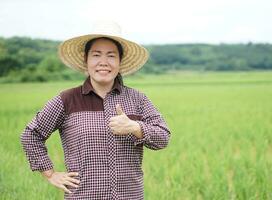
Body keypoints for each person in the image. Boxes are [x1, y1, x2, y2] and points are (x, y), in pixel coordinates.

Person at [20, 21, 171, 200]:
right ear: (86, 60)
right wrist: (50, 174)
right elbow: (31, 134)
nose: (103, 62)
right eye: (96, 55)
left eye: (111, 56)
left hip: (130, 196)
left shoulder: (138, 99)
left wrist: (134, 127)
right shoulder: (67, 99)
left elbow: (163, 137)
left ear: (120, 61)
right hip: (83, 196)